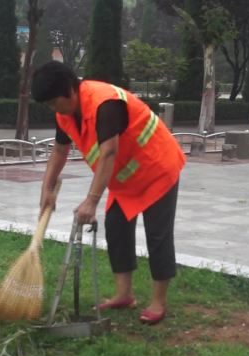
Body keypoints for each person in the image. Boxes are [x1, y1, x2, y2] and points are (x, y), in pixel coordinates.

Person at [31, 61, 186, 325]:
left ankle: (158, 301)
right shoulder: (65, 114)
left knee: (157, 234)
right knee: (116, 226)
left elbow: (109, 152)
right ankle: (124, 294)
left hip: (157, 167)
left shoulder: (105, 104)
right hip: (124, 180)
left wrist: (91, 201)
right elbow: (59, 150)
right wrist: (47, 189)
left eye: (54, 103)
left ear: (70, 90)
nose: (53, 110)